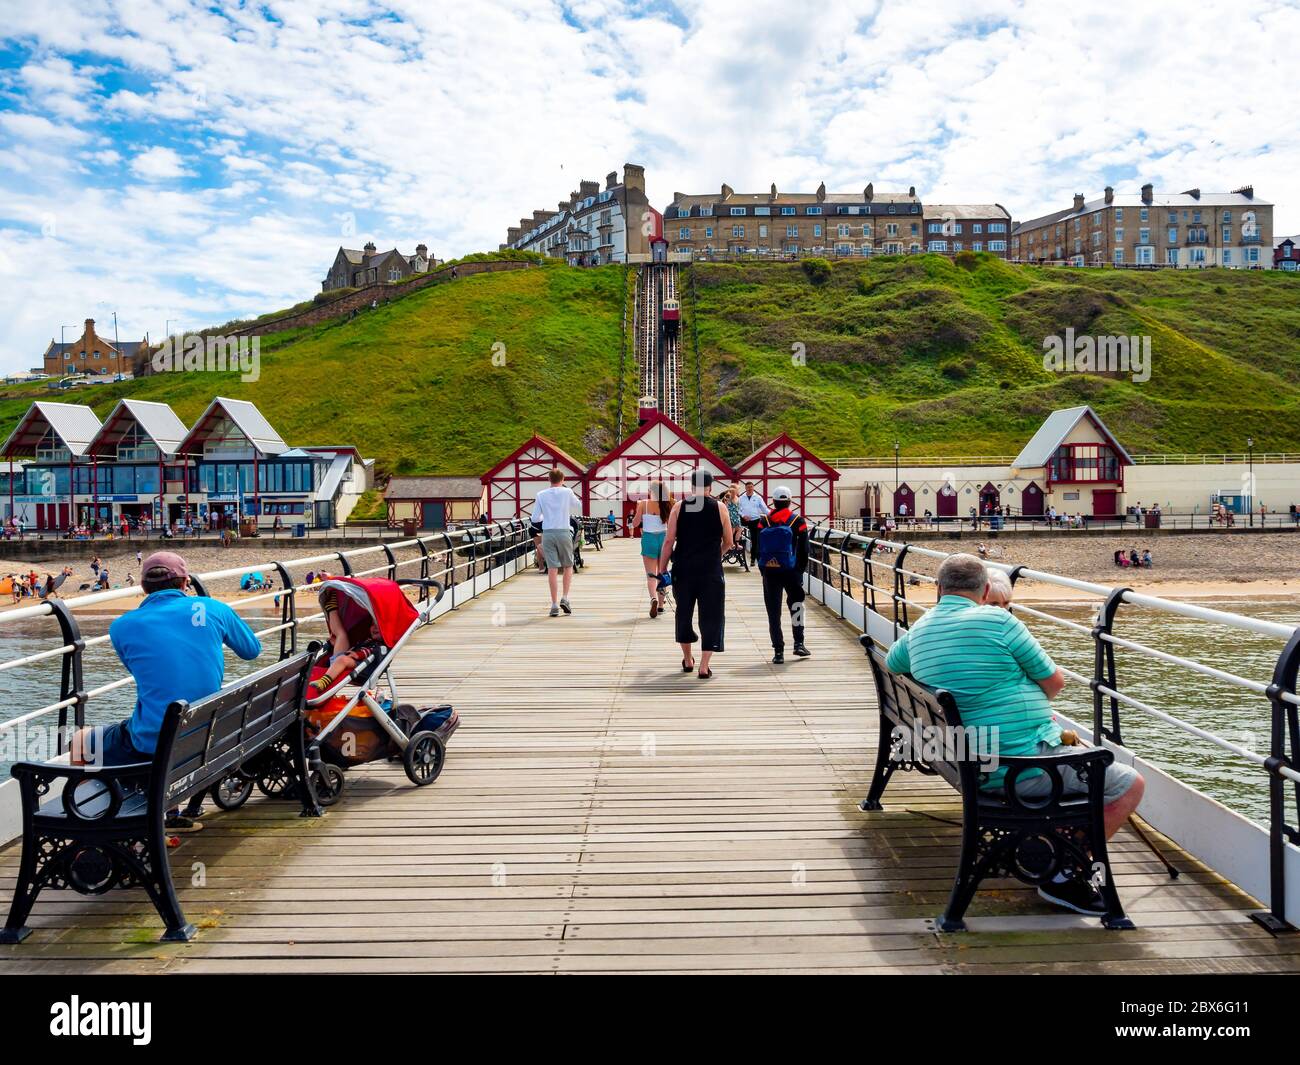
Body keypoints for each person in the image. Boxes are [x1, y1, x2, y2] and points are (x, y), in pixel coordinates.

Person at [884, 553, 1144, 917]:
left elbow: (893, 664)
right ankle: (1063, 872)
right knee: (1129, 783)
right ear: (986, 589)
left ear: (938, 590)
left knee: (1075, 758)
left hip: (967, 760)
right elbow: (1055, 683)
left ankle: (1053, 850)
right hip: (1018, 769)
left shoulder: (922, 628)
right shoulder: (998, 620)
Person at [70, 552, 262, 832]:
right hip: (210, 738)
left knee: (80, 742)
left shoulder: (122, 626)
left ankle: (89, 825)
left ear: (143, 587)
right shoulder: (212, 608)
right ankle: (169, 814)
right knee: (173, 718)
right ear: (185, 582)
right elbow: (251, 651)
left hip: (153, 745)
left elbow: (142, 672)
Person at [658, 470, 732, 679]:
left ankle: (688, 659)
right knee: (712, 615)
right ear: (710, 487)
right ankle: (703, 666)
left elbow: (668, 541)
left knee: (684, 613)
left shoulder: (679, 507)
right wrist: (715, 555)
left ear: (691, 487)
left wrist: (662, 569)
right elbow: (728, 542)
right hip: (711, 571)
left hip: (684, 569)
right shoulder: (720, 507)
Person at [755, 485, 810, 664]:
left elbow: (757, 547)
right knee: (797, 606)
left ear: (773, 501)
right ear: (790, 501)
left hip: (770, 572)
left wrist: (764, 569)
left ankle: (778, 651)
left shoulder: (764, 521)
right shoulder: (798, 521)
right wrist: (799, 571)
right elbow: (804, 550)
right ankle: (799, 643)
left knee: (773, 612)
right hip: (792, 572)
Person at [531, 467, 582, 616]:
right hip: (564, 531)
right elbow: (579, 506)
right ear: (563, 479)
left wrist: (545, 518)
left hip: (548, 533)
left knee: (552, 568)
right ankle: (565, 597)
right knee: (568, 565)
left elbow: (535, 518)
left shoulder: (541, 495)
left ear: (549, 479)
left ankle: (553, 605)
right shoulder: (567, 492)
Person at [632, 481, 674, 617]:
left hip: (648, 539)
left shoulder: (643, 504)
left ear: (651, 491)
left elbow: (635, 523)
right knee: (662, 573)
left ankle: (653, 599)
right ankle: (661, 606)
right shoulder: (668, 504)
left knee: (651, 575)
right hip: (663, 539)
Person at [736, 481, 768, 566]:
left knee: (755, 540)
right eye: (748, 487)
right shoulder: (741, 498)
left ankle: (753, 559)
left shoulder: (758, 497)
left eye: (751, 487)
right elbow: (738, 509)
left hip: (755, 520)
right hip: (744, 520)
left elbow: (765, 509)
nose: (750, 489)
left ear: (753, 487)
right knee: (740, 535)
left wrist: (773, 515)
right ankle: (737, 548)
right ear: (745, 488)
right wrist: (743, 515)